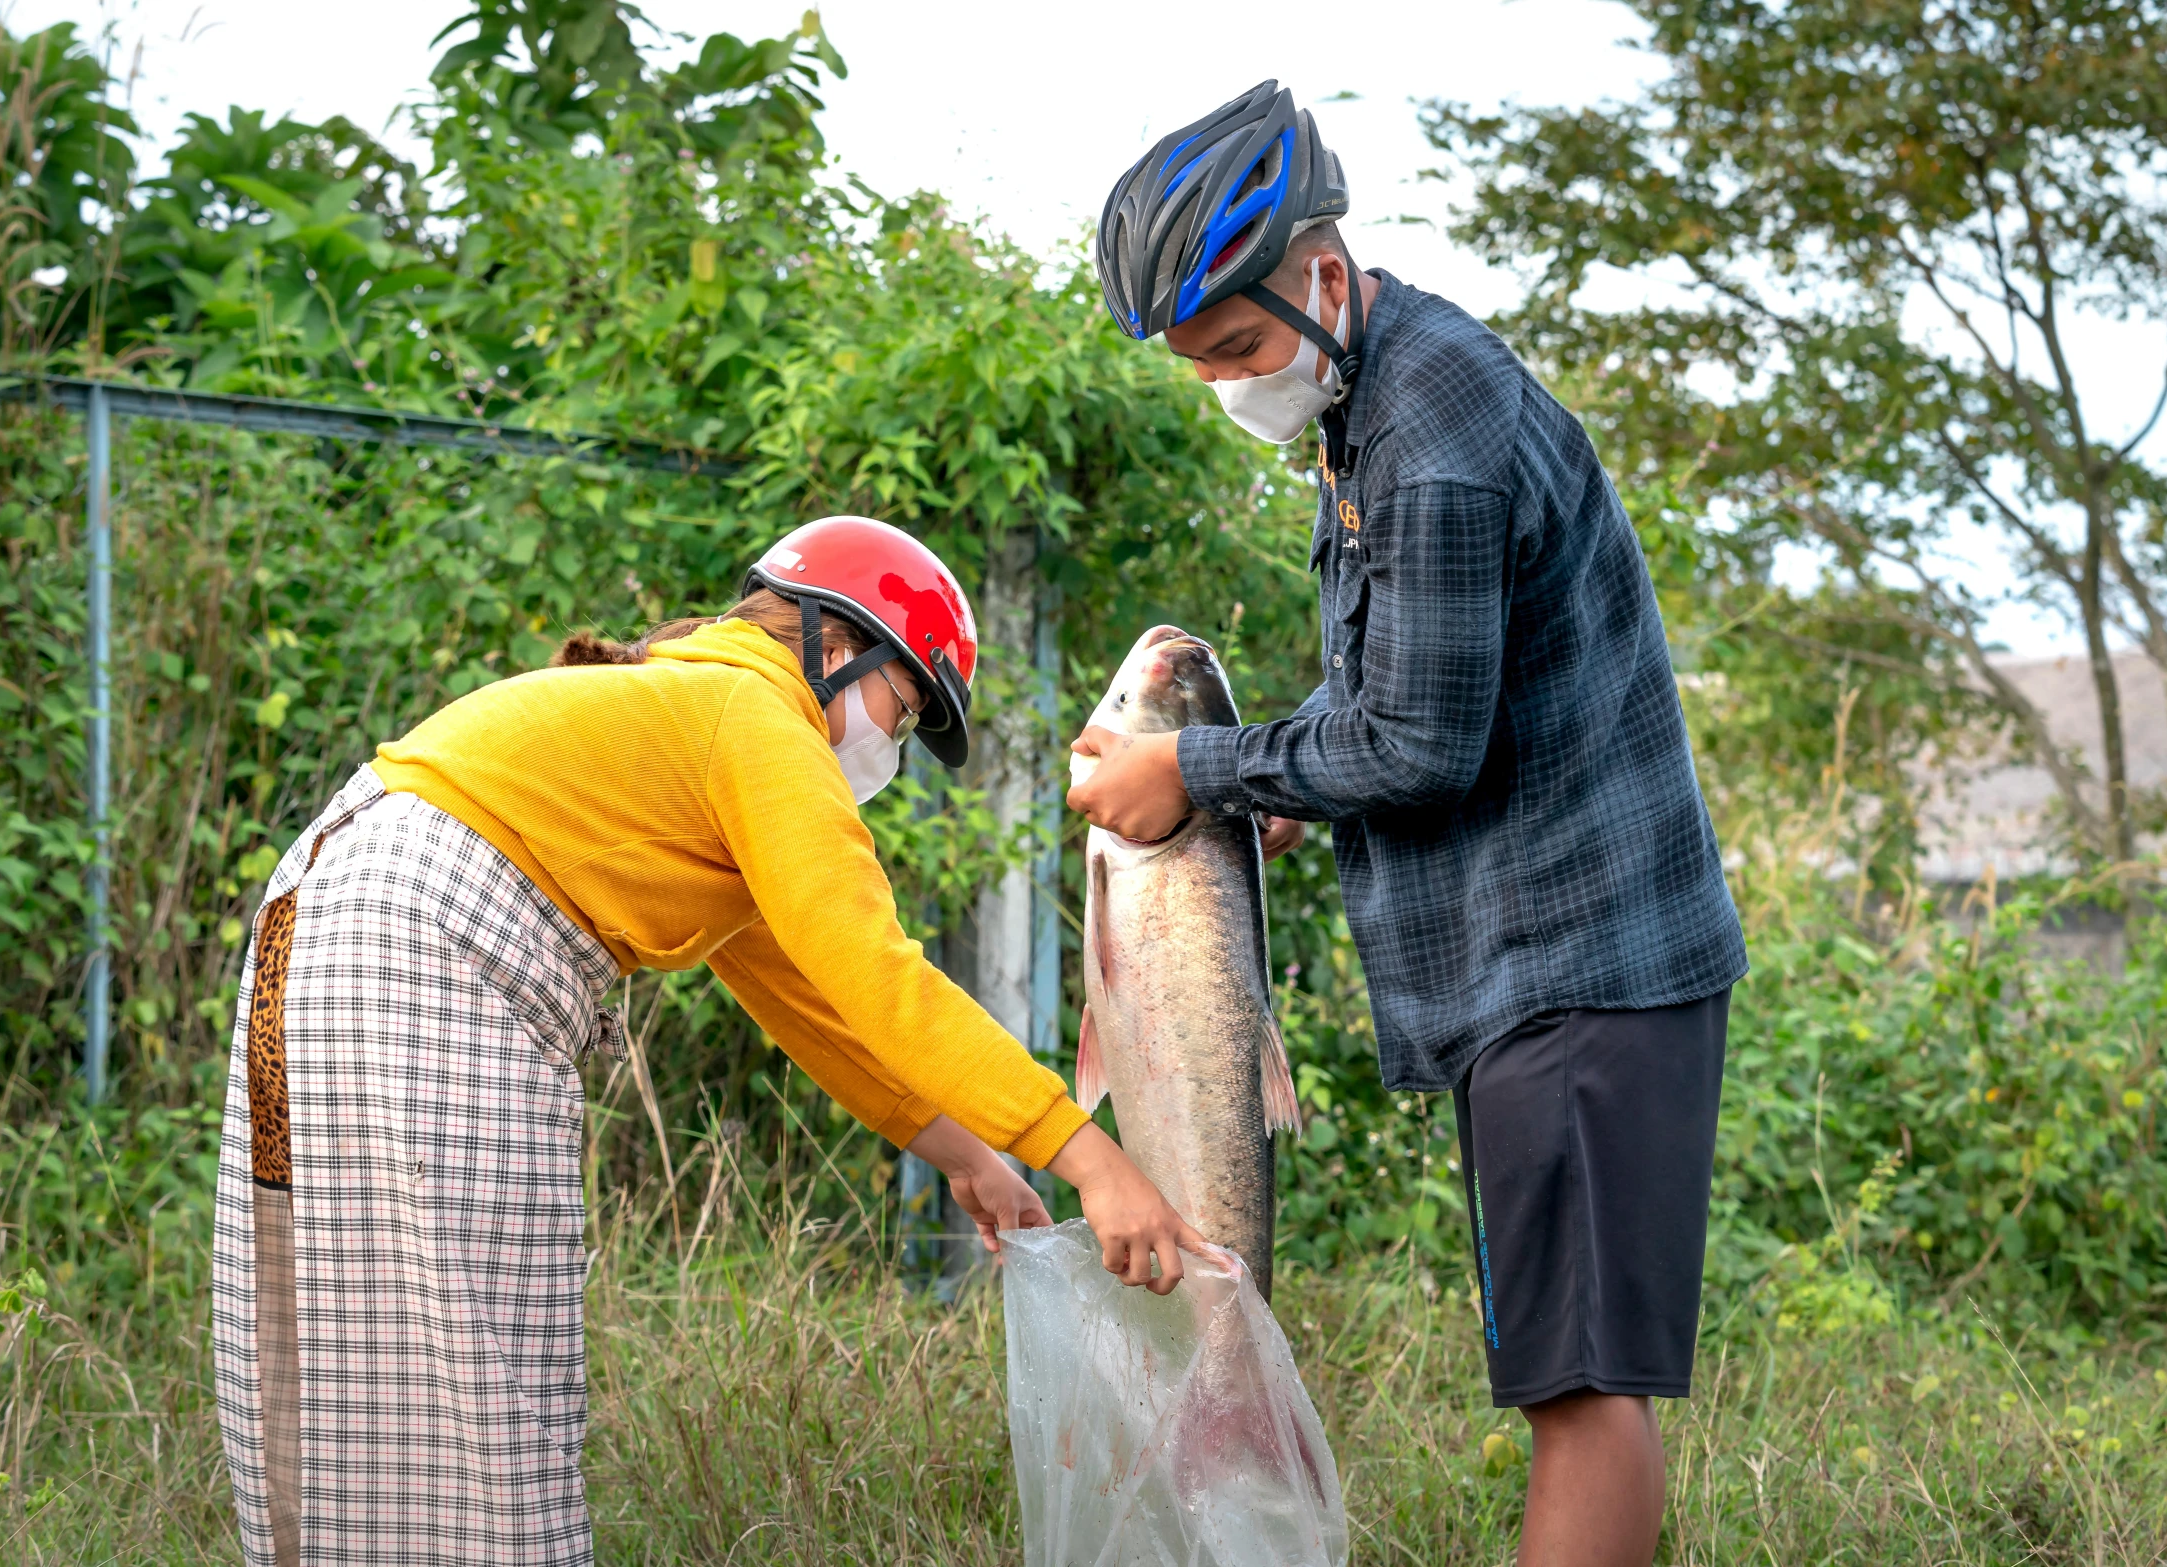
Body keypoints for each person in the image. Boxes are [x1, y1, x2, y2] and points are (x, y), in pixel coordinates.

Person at [211, 514, 1199, 1567]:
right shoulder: (753, 713)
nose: (890, 748)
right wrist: (1085, 1155)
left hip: (334, 925)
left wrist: (969, 1155)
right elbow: (875, 972)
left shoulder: (694, 715)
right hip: (430, 947)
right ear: (832, 645)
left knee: (357, 1341)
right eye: (899, 708)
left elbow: (811, 995)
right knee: (478, 1363)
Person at [1071, 82, 1750, 1567]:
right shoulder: (1370, 397)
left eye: (1242, 348)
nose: (1230, 384)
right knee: (1562, 1367)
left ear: (1322, 275)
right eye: (1201, 365)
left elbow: (1420, 745)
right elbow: (1409, 699)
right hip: (1534, 964)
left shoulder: (1431, 432)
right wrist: (1281, 785)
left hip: (1582, 958)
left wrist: (1200, 768)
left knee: (1579, 1388)